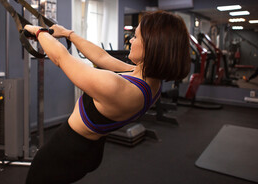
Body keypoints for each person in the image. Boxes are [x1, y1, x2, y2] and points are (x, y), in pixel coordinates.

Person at [24, 10, 191, 184]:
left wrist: (37, 31)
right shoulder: (151, 83)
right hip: (92, 150)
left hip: (66, 150)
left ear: (152, 46)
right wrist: (68, 34)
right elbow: (102, 57)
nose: (130, 41)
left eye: (135, 37)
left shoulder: (116, 87)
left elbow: (60, 58)